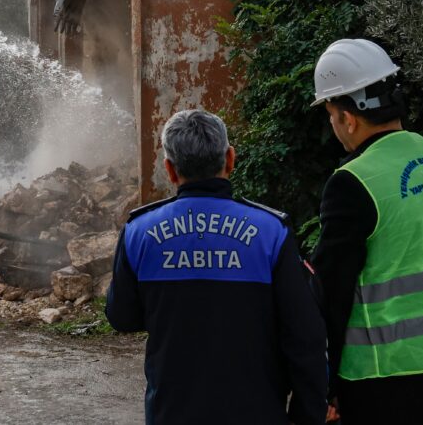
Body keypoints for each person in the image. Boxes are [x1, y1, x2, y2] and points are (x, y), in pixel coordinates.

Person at [106, 109, 327, 425]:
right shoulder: (270, 231)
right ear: (230, 159)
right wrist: (308, 414)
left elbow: (122, 317)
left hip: (172, 413)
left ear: (170, 169)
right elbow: (305, 335)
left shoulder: (138, 232)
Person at [309, 38, 423, 425]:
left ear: (349, 118)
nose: (333, 125)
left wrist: (324, 383)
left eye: (331, 115)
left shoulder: (352, 182)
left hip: (378, 375)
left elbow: (331, 293)